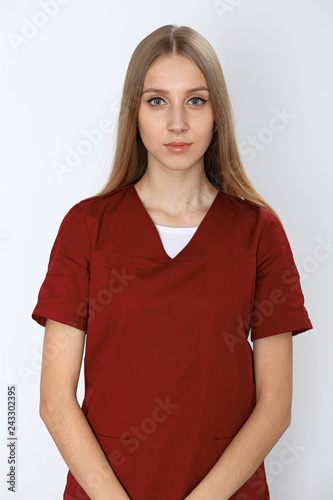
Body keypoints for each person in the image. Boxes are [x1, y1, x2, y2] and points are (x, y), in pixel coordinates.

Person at [31, 24, 313, 500]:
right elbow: (55, 402)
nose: (177, 122)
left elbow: (276, 406)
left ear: (217, 113)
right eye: (157, 100)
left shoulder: (259, 234)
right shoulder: (86, 228)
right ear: (134, 114)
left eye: (196, 100)